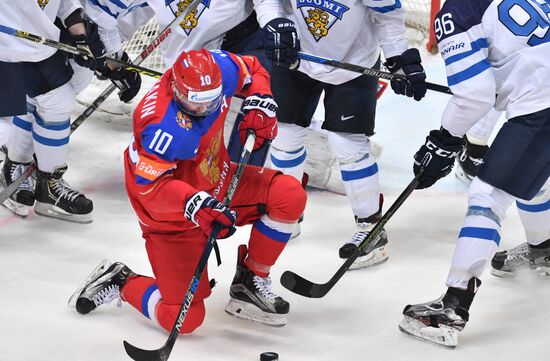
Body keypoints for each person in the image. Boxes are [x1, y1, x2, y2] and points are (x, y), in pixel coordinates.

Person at [69, 49, 307, 333]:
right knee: (184, 320)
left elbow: (253, 69)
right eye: (195, 104)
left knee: (288, 195)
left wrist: (261, 100)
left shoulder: (217, 69)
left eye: (212, 101)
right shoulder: (162, 127)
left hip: (216, 178)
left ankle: (250, 282)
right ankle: (121, 280)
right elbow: (151, 189)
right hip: (171, 214)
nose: (204, 110)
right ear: (176, 89)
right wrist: (192, 203)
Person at [398, 0, 550, 347]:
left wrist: (443, 139)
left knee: (489, 195)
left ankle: (450, 311)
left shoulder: (458, 11)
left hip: (542, 102)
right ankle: (545, 248)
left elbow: (475, 94)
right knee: (531, 175)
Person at [268, 0, 427, 268]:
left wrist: (399, 58)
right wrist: (274, 23)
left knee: (347, 145)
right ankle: (287, 212)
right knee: (284, 136)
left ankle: (370, 228)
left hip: (352, 64)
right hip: (295, 57)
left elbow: (387, 15)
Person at [79, 0, 300, 166]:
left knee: (268, 82)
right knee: (188, 119)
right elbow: (113, 19)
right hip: (186, 55)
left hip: (240, 37)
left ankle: (244, 170)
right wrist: (113, 61)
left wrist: (273, 22)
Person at [0, 0, 114, 221]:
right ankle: (15, 166)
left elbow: (64, 4)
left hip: (37, 45)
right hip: (4, 49)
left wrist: (81, 35)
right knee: (2, 127)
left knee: (58, 101)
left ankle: (48, 185)